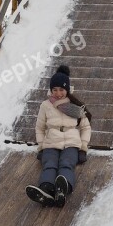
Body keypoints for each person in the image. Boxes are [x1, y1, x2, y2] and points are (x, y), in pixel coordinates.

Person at [26, 65, 92, 208]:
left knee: (66, 164)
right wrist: (42, 145)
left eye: (61, 89)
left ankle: (63, 188)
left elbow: (85, 127)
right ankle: (46, 190)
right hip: (51, 141)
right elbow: (40, 127)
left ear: (67, 89)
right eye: (54, 89)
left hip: (71, 142)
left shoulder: (74, 106)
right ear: (51, 90)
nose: (58, 93)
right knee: (49, 164)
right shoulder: (45, 106)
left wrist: (83, 146)